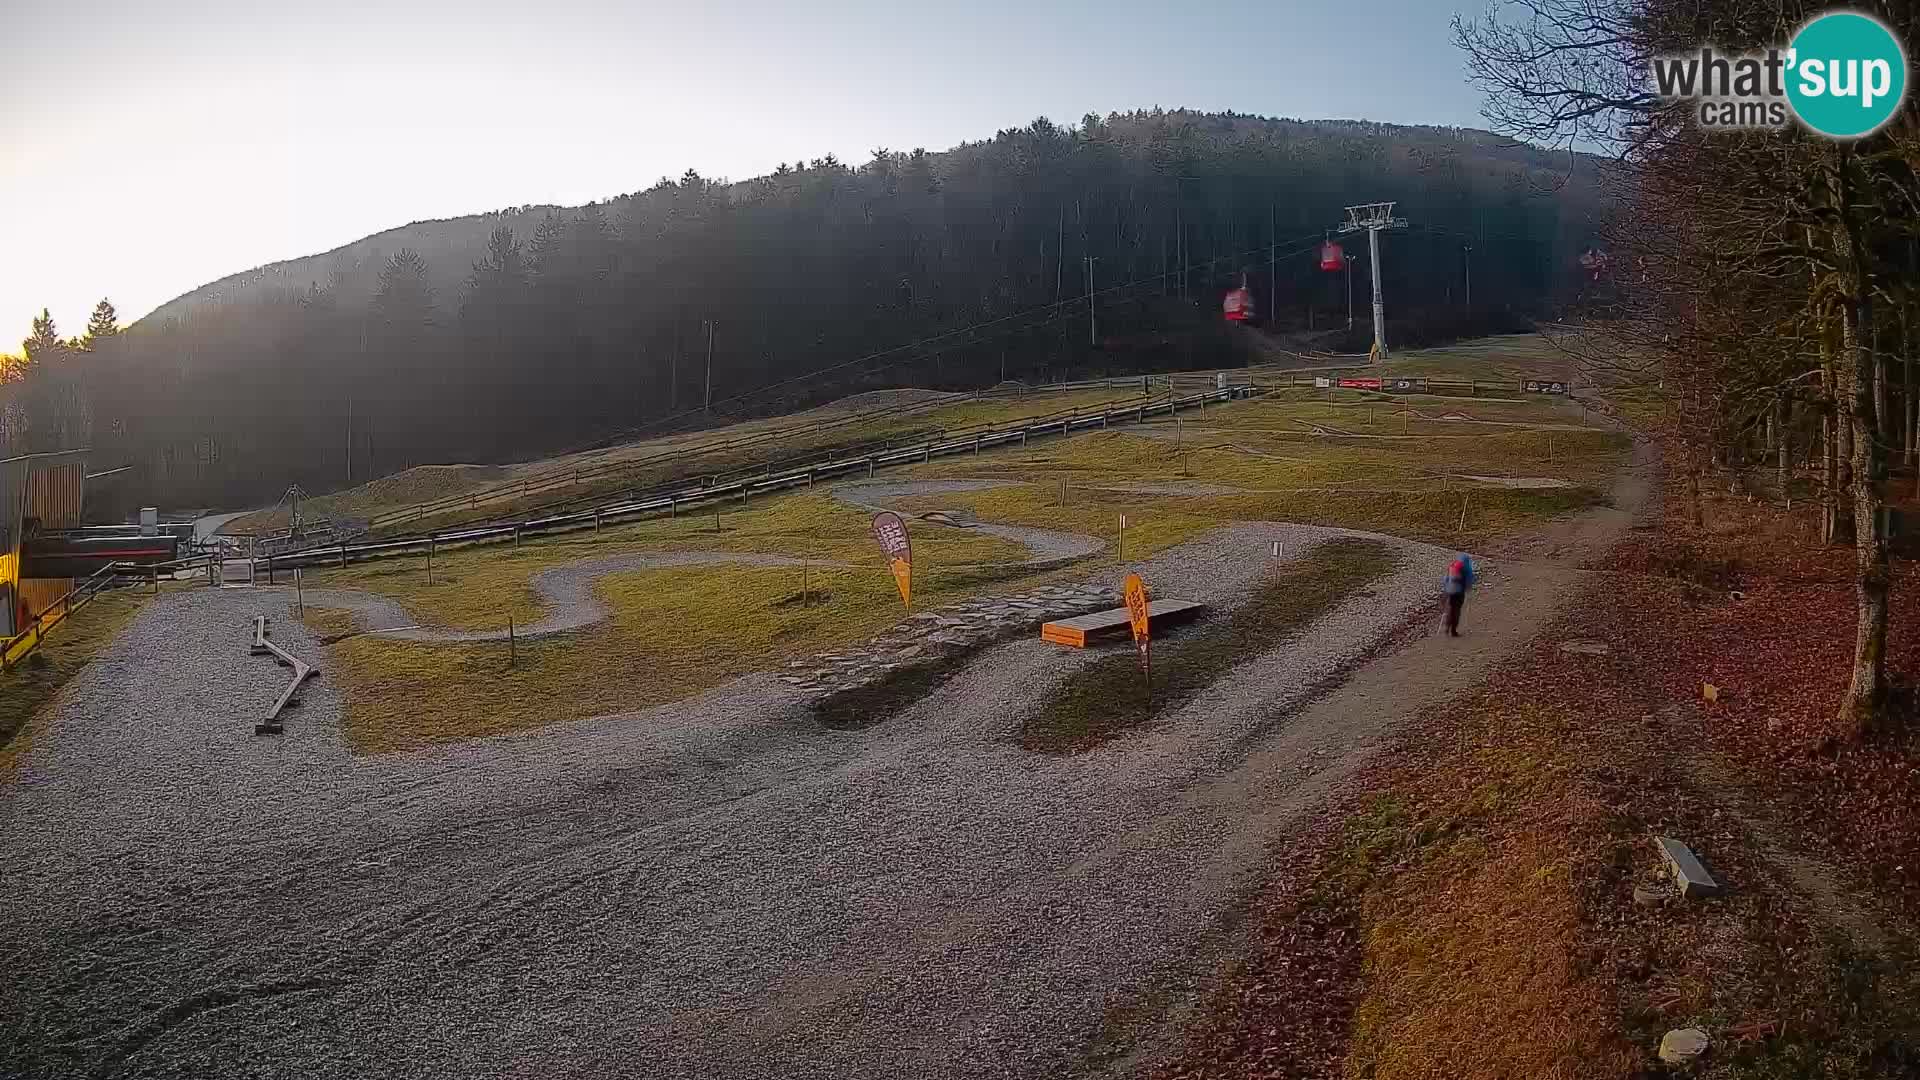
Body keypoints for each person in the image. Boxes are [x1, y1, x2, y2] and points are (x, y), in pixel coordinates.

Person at [1443, 552, 1476, 637]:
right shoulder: (1466, 567)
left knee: (1450, 608)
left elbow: (1445, 578)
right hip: (1459, 592)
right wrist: (1469, 588)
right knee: (1456, 610)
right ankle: (1453, 630)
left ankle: (1447, 626)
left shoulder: (1453, 565)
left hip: (1450, 590)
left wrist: (1446, 588)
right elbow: (1470, 579)